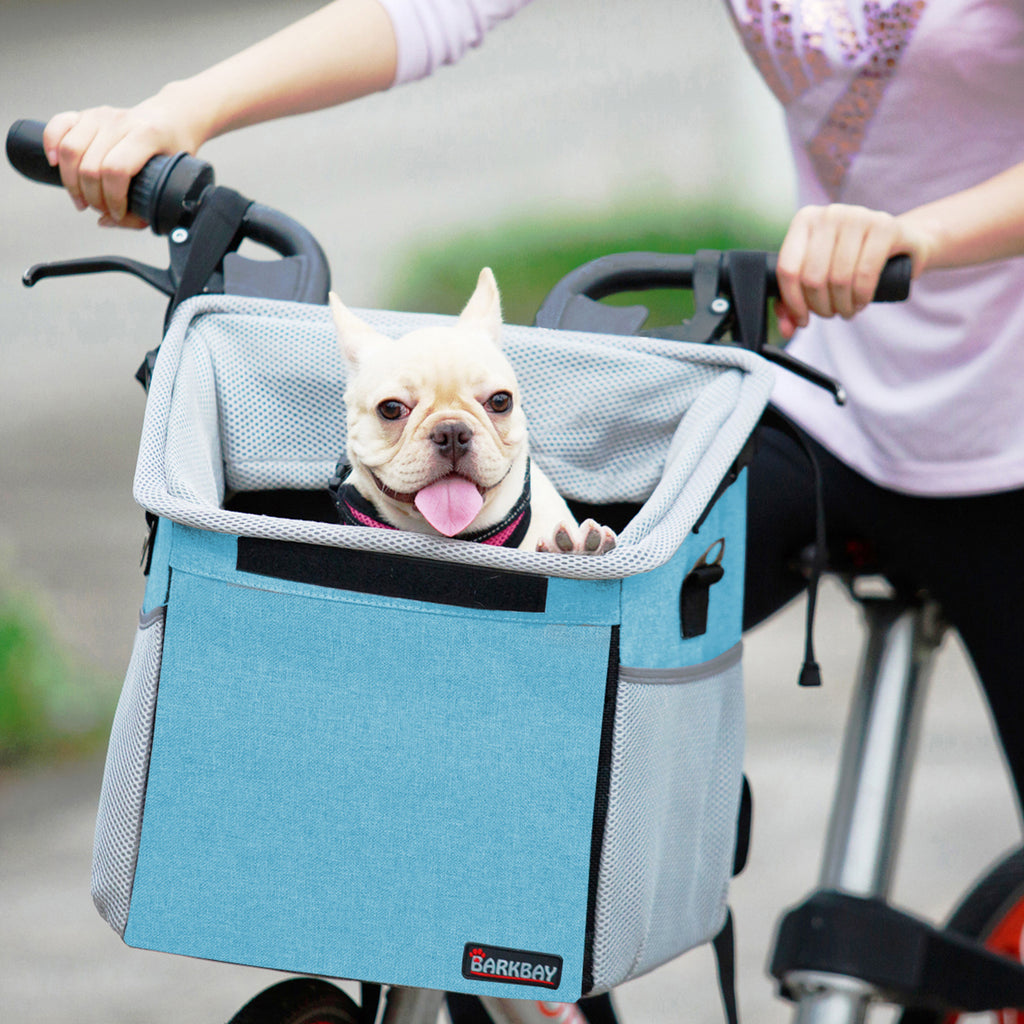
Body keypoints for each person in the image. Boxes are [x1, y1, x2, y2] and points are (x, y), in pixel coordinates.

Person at [43, 0, 1024, 807]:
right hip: (819, 410)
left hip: (1009, 437)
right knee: (498, 704)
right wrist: (182, 110)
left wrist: (920, 237)